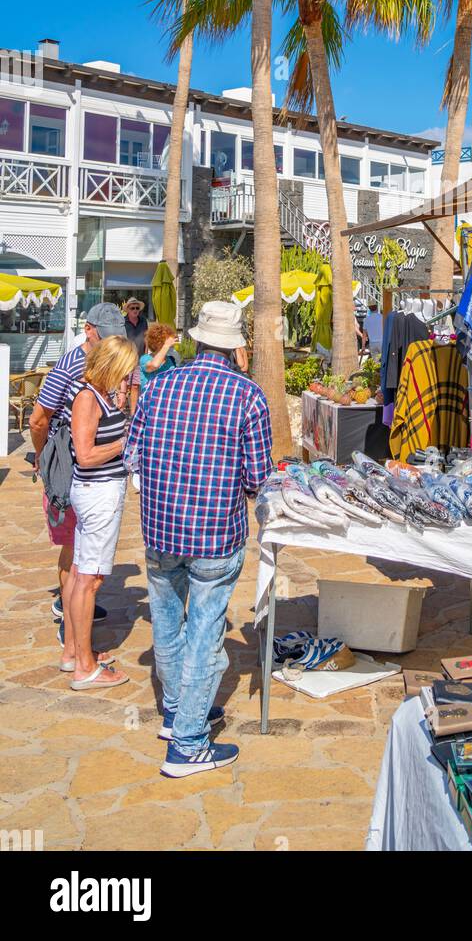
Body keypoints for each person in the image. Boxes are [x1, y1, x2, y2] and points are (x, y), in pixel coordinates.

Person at [124, 300, 272, 777]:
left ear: (197, 339)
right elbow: (257, 478)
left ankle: (175, 712)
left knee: (168, 624)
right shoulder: (248, 397)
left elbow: (133, 456)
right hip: (214, 534)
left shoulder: (158, 387)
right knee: (205, 632)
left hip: (162, 528)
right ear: (234, 347)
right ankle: (187, 743)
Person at [29, 302, 138, 658]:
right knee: (75, 557)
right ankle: (71, 629)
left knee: (80, 558)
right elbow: (39, 419)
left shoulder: (107, 372)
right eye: (104, 336)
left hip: (86, 470)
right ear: (89, 329)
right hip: (73, 468)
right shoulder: (73, 370)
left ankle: (76, 624)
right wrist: (45, 461)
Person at [66, 336, 139, 690]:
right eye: (126, 371)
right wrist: (125, 444)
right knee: (89, 579)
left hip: (98, 494)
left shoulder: (101, 394)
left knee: (84, 573)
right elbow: (85, 455)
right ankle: (85, 667)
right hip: (96, 495)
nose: (129, 377)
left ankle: (80, 653)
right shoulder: (86, 398)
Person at [138, 323, 179, 392]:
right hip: (150, 399)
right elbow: (154, 365)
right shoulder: (144, 359)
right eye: (167, 340)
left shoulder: (170, 360)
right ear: (158, 342)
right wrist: (166, 345)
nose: (171, 343)